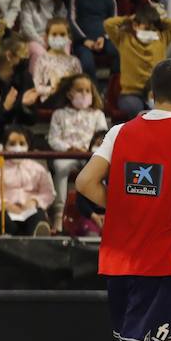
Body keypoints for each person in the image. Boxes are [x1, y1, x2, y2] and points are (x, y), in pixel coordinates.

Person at [45, 58, 171, 341]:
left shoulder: (121, 132)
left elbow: (84, 183)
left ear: (151, 92)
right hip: (164, 268)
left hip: (124, 264)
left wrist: (122, 209)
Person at [47, 73, 108, 234]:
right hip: (66, 155)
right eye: (79, 90)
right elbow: (53, 139)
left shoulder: (97, 114)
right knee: (60, 168)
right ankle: (58, 216)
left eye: (87, 90)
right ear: (69, 93)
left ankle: (100, 212)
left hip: (91, 156)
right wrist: (69, 148)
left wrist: (90, 150)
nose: (84, 94)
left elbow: (103, 137)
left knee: (102, 170)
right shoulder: (59, 114)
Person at [0, 127, 55, 236]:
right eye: (12, 143)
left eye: (22, 144)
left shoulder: (38, 168)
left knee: (39, 217)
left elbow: (48, 193)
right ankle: (10, 242)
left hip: (30, 210)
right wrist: (5, 205)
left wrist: (34, 202)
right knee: (4, 221)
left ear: (28, 146)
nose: (17, 148)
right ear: (5, 147)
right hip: (3, 211)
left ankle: (38, 240)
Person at [106, 6, 171, 121]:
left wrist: (157, 19)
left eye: (153, 29)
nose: (150, 32)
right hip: (131, 94)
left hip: (156, 93)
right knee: (135, 109)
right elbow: (109, 24)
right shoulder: (124, 39)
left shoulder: (162, 38)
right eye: (146, 28)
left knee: (162, 112)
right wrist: (129, 19)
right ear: (135, 25)